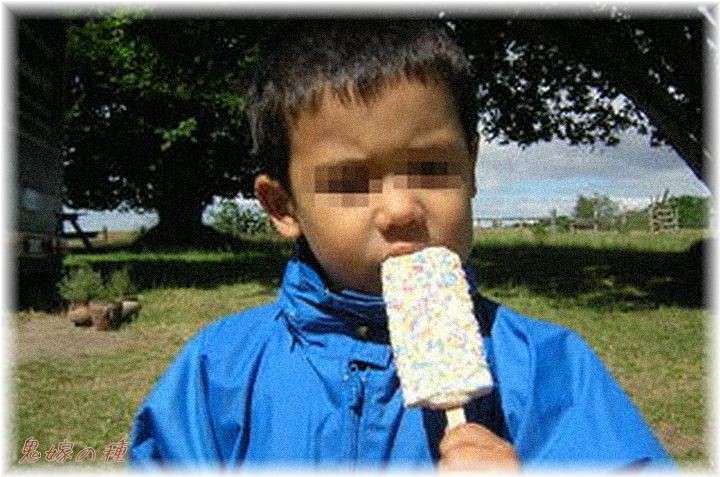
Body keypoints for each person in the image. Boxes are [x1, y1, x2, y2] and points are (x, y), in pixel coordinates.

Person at [128, 19, 673, 471]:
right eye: (348, 182)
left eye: (432, 169)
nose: (401, 210)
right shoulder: (218, 374)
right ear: (283, 206)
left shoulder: (550, 371)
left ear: (471, 168)